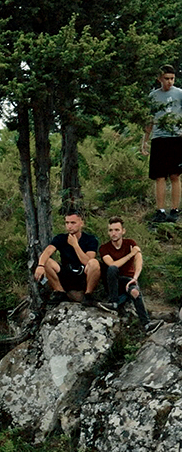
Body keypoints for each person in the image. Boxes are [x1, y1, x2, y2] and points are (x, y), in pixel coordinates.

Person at [33, 212, 100, 303]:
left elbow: (87, 261)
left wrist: (75, 245)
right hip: (67, 274)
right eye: (67, 223)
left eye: (73, 223)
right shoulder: (61, 238)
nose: (69, 226)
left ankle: (88, 295)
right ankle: (60, 292)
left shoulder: (90, 239)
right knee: (47, 261)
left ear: (81, 223)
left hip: (83, 275)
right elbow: (48, 251)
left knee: (94, 263)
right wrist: (40, 265)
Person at [98, 219, 153, 327]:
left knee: (135, 292)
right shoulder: (104, 248)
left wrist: (135, 278)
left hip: (128, 280)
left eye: (117, 230)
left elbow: (138, 259)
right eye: (111, 230)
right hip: (113, 282)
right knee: (113, 269)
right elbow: (112, 264)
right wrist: (130, 254)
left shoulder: (130, 243)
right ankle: (114, 302)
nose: (114, 233)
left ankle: (146, 323)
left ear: (123, 231)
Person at [145, 65, 182, 224]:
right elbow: (149, 119)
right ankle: (160, 211)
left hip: (176, 137)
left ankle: (174, 210)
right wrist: (144, 141)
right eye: (166, 78)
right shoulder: (153, 96)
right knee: (159, 177)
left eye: (172, 78)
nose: (169, 82)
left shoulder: (179, 94)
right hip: (159, 138)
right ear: (159, 79)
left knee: (175, 175)